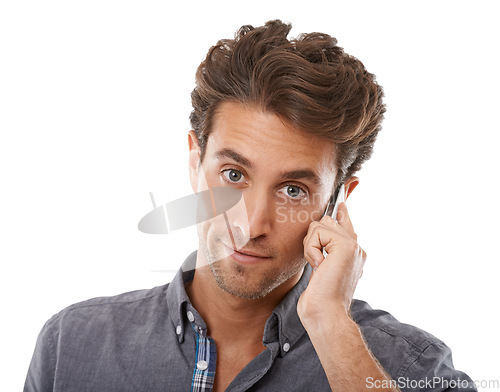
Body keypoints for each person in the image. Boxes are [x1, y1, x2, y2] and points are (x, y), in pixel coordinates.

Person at [24, 20, 477, 392]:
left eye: (293, 190)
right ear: (195, 162)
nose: (252, 224)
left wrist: (331, 326)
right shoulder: (71, 346)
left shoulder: (413, 371)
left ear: (338, 202)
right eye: (234, 175)